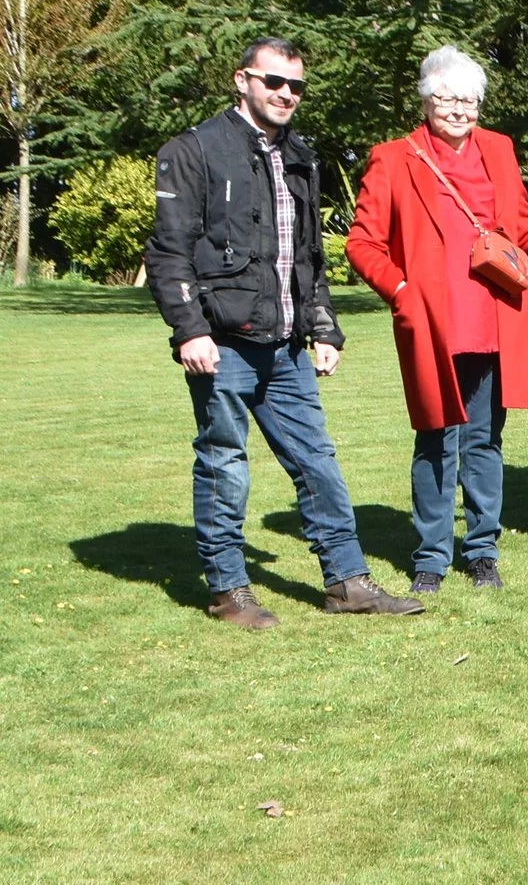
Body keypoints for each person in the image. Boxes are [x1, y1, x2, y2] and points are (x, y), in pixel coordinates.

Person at [144, 37, 424, 627]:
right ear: (241, 80)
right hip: (221, 341)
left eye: (296, 85)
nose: (286, 94)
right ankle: (228, 590)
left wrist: (324, 328)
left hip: (287, 344)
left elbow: (308, 258)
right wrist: (188, 331)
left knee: (317, 460)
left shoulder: (300, 155)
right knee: (225, 461)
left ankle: (348, 583)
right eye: (274, 82)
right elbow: (169, 252)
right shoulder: (193, 150)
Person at [345, 46, 528, 592]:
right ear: (426, 98)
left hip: (493, 318)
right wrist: (401, 291)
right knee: (437, 438)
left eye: (470, 99)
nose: (459, 109)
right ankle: (431, 558)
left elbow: (523, 230)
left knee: (484, 440)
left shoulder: (498, 150)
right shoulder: (394, 157)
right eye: (447, 98)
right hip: (434, 325)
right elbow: (364, 243)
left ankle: (483, 550)